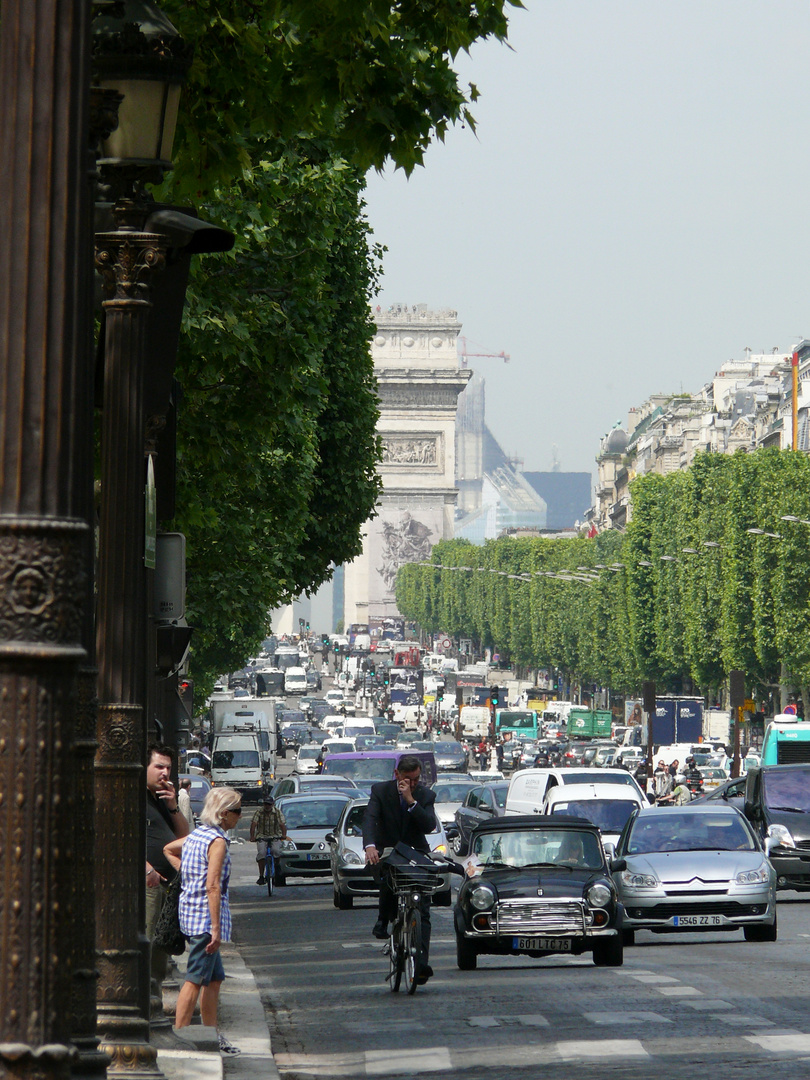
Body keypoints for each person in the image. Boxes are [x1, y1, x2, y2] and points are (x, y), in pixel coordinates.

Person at [164, 787, 242, 1057]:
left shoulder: (198, 834)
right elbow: (213, 886)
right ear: (223, 814)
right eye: (237, 811)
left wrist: (186, 874)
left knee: (215, 978)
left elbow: (169, 849)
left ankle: (211, 1033)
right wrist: (216, 929)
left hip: (191, 913)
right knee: (195, 978)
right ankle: (182, 1035)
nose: (239, 817)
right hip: (204, 919)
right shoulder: (217, 841)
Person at [362, 755, 438, 983]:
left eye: (416, 779)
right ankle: (383, 920)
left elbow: (429, 825)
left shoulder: (425, 795)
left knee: (423, 910)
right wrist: (370, 846)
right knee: (387, 874)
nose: (413, 784)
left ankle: (421, 965)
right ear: (397, 775)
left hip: (416, 852)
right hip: (389, 849)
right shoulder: (381, 791)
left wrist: (411, 800)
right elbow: (370, 818)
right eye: (408, 779)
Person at [145, 743, 190, 1017]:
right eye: (158, 767)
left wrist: (173, 806)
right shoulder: (134, 795)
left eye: (168, 768)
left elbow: (184, 838)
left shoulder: (162, 800)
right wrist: (146, 869)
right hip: (149, 884)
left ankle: (154, 1001)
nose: (164, 773)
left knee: (161, 947)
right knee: (149, 943)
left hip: (167, 885)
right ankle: (145, 1004)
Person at [249, 793, 288, 885]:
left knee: (276, 851)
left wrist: (283, 835)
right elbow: (254, 824)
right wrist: (252, 836)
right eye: (266, 804)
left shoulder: (277, 812)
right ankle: (261, 876)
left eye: (269, 804)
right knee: (261, 854)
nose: (267, 806)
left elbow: (282, 824)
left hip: (275, 835)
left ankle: (277, 866)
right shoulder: (259, 812)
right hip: (262, 836)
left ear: (273, 804)